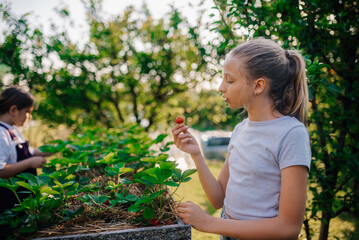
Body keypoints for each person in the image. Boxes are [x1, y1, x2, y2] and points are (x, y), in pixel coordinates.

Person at [173, 38, 311, 239]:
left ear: (258, 85)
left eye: (230, 80)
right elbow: (218, 198)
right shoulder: (240, 129)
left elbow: (288, 228)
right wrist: (196, 155)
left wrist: (211, 223)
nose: (221, 87)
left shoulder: (291, 134)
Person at [0, 86, 49, 212]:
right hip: (8, 205)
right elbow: (1, 171)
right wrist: (30, 162)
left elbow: (32, 152)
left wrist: (60, 148)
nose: (29, 117)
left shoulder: (12, 130)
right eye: (27, 111)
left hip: (21, 203)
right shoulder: (1, 133)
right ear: (13, 110)